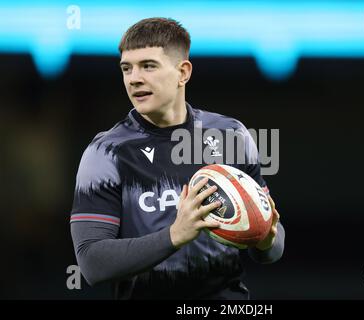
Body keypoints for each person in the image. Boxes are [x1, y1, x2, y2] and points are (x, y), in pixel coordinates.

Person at [70, 17, 285, 300]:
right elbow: (91, 263)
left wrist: (266, 239)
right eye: (127, 68)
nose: (134, 78)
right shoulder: (106, 153)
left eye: (148, 66)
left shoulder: (231, 135)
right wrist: (174, 235)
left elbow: (272, 246)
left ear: (183, 72)